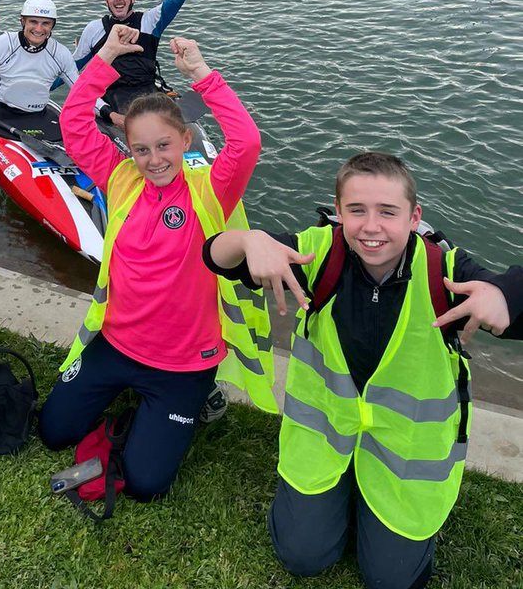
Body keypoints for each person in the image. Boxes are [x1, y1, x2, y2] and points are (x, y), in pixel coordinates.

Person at [204, 151, 523, 589]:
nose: (371, 227)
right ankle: (336, 496)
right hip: (326, 438)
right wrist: (248, 238)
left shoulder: (444, 272)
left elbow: (506, 297)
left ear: (415, 218)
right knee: (302, 557)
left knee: (390, 580)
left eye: (388, 212)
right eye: (356, 211)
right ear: (338, 214)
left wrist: (505, 294)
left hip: (403, 455)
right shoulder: (316, 253)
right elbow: (214, 255)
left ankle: (370, 510)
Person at [38, 24, 276, 502]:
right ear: (128, 148)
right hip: (117, 343)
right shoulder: (120, 178)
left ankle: (195, 398)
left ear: (185, 139)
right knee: (53, 432)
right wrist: (104, 57)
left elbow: (245, 143)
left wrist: (202, 75)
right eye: (140, 148)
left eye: (164, 145)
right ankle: (132, 408)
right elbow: (75, 123)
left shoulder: (211, 188)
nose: (153, 159)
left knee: (146, 484)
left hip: (183, 362)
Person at [73, 0, 205, 126]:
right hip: (112, 96)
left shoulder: (149, 21)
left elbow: (174, 0)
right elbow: (71, 70)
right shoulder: (93, 29)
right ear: (106, 1)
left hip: (147, 90)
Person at [0, 0, 78, 144]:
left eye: (46, 23)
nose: (39, 29)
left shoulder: (60, 54)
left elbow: (81, 90)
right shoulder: (1, 45)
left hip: (38, 116)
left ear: (52, 25)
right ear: (22, 21)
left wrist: (109, 113)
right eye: (33, 22)